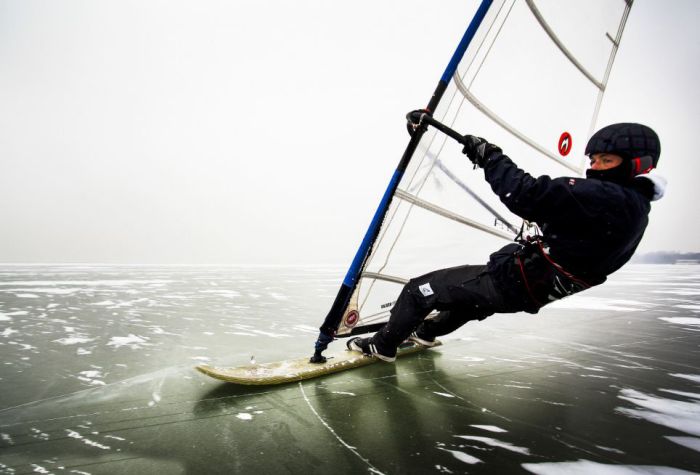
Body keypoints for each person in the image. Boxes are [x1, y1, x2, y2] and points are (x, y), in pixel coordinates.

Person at [348, 122, 666, 362]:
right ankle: (427, 334)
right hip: (529, 293)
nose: (594, 167)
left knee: (420, 290)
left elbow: (525, 194)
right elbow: (585, 236)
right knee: (469, 304)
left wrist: (490, 156)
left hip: (514, 281)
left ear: (638, 164)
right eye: (593, 160)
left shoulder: (608, 196)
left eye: (606, 161)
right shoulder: (637, 210)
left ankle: (382, 345)